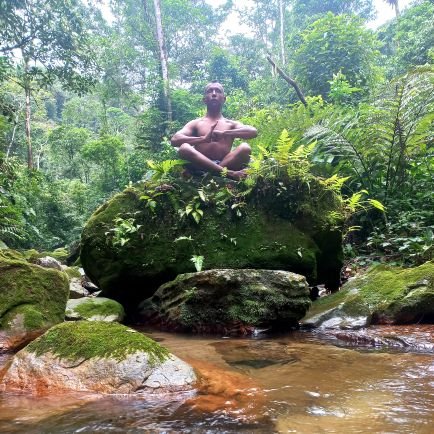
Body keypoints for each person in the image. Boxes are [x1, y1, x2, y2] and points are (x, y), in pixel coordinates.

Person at [171, 82, 257, 180]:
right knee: (184, 148)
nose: (214, 93)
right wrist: (202, 139)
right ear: (204, 100)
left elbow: (253, 132)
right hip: (201, 165)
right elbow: (175, 139)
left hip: (226, 163)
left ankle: (212, 174)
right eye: (210, 91)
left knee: (245, 148)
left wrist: (225, 133)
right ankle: (230, 174)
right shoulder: (196, 123)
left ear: (224, 99)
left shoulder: (231, 124)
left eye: (218, 91)